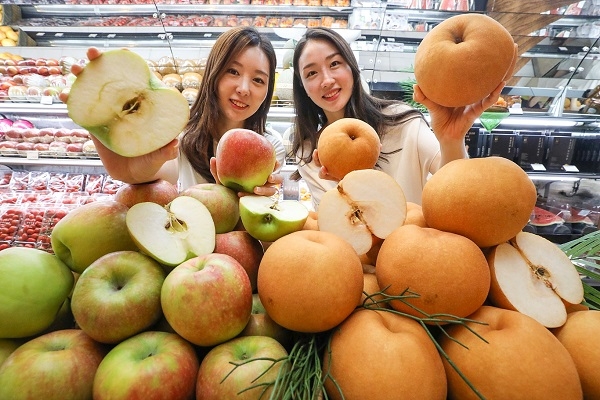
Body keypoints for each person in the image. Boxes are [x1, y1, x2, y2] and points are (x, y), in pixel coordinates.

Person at [290, 27, 511, 209]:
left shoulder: (401, 122)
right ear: (303, 87)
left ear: (352, 67)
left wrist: (452, 139)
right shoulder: (310, 154)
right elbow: (341, 233)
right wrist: (347, 186)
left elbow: (458, 193)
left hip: (418, 253)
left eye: (335, 64)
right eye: (312, 73)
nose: (326, 80)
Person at [61, 26, 285, 197]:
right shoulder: (181, 134)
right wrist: (131, 169)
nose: (244, 89)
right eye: (233, 71)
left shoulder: (270, 146)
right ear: (213, 75)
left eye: (258, 80)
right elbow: (163, 170)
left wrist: (262, 200)